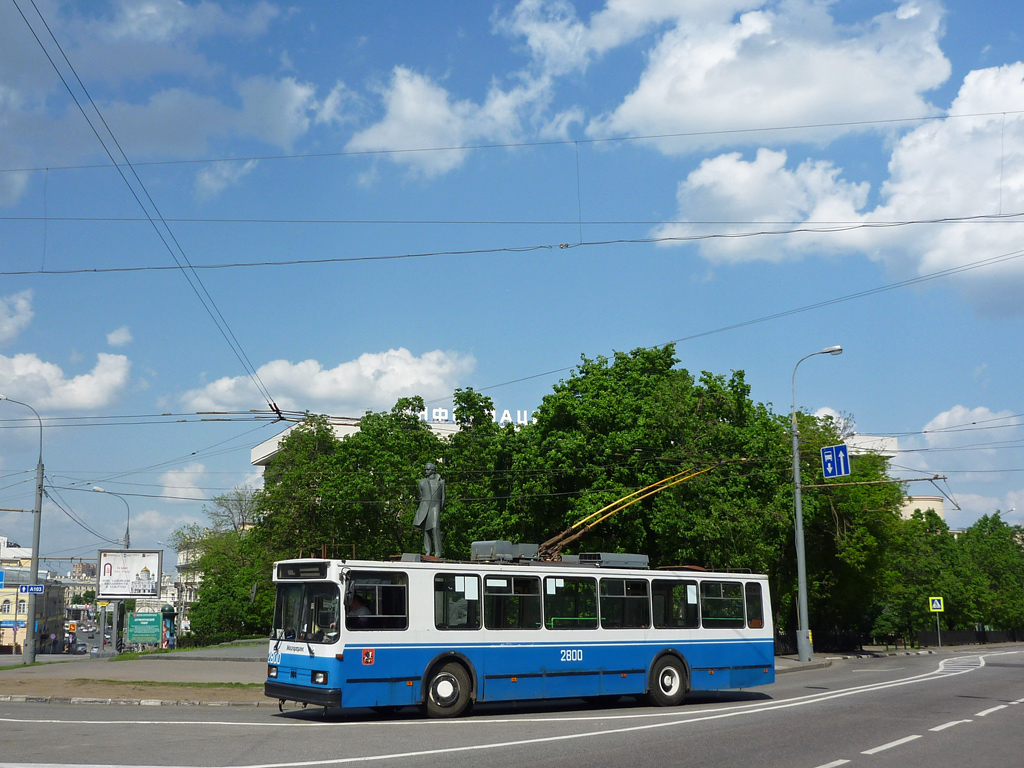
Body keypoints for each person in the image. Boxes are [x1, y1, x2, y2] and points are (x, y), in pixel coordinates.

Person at [413, 462, 445, 557]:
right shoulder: (421, 482)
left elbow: (443, 498)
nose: (426, 471)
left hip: (435, 507)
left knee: (435, 528)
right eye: (425, 469)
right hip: (425, 507)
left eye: (428, 469)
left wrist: (440, 508)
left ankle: (438, 551)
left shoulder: (441, 482)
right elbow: (421, 496)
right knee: (426, 530)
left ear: (433, 470)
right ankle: (428, 550)